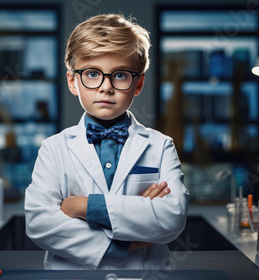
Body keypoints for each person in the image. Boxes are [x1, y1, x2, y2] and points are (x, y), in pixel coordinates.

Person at [24, 13, 189, 270]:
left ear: (138, 83)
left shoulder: (160, 146)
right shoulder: (53, 148)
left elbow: (172, 218)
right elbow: (40, 223)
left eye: (120, 75)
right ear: (72, 81)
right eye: (92, 74)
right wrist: (127, 239)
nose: (105, 87)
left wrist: (83, 206)